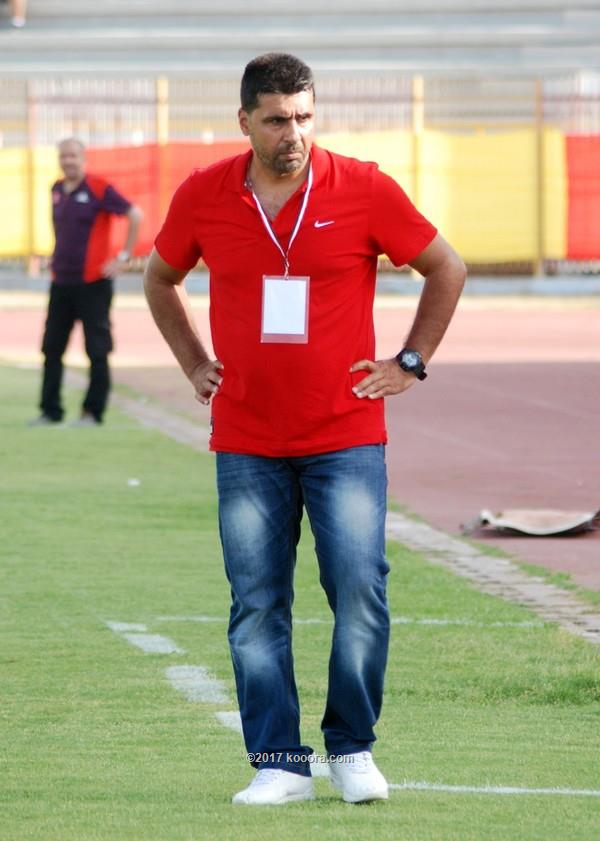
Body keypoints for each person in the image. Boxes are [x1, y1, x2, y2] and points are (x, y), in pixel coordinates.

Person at [144, 53, 465, 806]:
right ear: (244, 121)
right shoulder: (203, 194)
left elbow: (445, 266)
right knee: (257, 602)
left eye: (304, 117)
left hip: (345, 433)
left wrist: (410, 361)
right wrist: (194, 361)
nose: (293, 133)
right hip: (247, 439)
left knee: (359, 590)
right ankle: (280, 764)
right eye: (276, 119)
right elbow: (160, 277)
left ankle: (352, 749)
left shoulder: (364, 187)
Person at [32, 137, 142, 426]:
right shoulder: (56, 189)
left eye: (73, 156)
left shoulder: (98, 188)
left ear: (83, 159)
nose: (68, 161)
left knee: (97, 349)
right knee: (51, 348)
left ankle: (92, 412)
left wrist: (123, 257)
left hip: (93, 283)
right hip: (61, 281)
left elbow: (135, 214)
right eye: (63, 156)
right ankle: (50, 411)